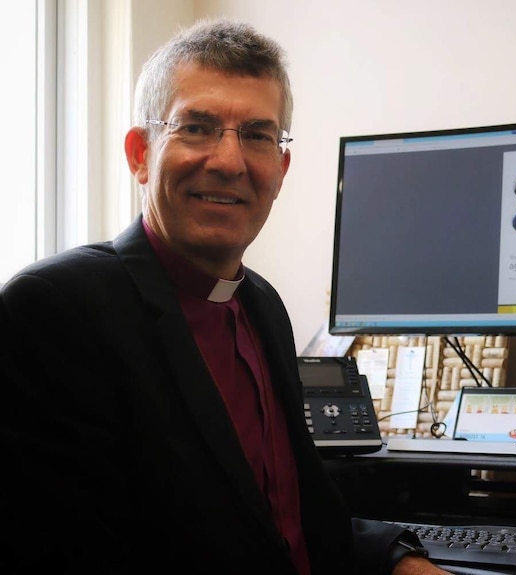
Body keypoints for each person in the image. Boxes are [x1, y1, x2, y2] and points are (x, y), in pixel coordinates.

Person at [0, 18, 451, 575]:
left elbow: (286, 517)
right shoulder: (57, 309)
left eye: (258, 135)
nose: (229, 161)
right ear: (140, 153)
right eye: (196, 127)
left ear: (280, 169)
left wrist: (396, 558)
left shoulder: (263, 305)